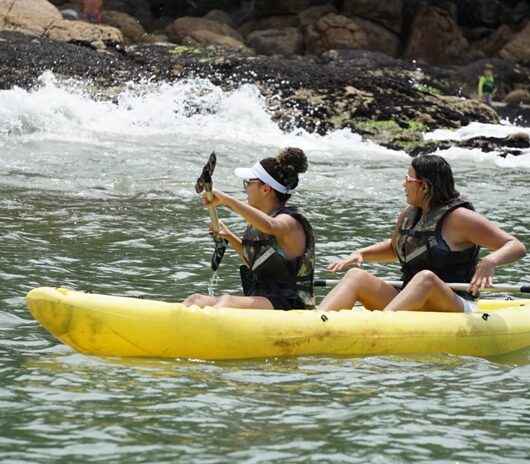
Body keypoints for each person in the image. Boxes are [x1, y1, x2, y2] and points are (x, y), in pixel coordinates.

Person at [319, 154, 526, 313]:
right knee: (356, 276)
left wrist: (490, 261)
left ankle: (379, 327)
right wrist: (362, 254)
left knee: (426, 278)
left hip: (455, 305)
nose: (403, 184)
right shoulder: (408, 215)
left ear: (424, 186)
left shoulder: (460, 218)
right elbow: (396, 247)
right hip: (409, 300)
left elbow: (515, 246)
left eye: (408, 179)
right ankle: (316, 323)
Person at [184, 147, 315, 310]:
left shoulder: (289, 222)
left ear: (266, 189)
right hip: (264, 299)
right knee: (196, 300)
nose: (245, 188)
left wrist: (226, 199)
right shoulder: (260, 220)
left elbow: (270, 226)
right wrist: (229, 237)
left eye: (248, 183)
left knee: (227, 302)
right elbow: (255, 262)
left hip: (290, 305)